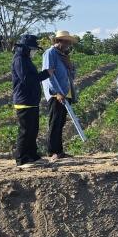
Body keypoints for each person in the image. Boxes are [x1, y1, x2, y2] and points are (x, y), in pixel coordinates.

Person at [10, 33, 51, 168]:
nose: (33, 51)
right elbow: (27, 79)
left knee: (33, 129)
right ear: (25, 48)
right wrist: (45, 74)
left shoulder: (26, 59)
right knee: (26, 130)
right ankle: (22, 159)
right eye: (32, 49)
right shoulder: (19, 59)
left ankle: (32, 156)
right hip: (24, 100)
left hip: (31, 100)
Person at [41, 30, 79, 160]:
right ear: (58, 41)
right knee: (55, 122)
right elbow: (48, 74)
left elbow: (71, 75)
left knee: (61, 122)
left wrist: (70, 66)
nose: (68, 44)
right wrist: (56, 92)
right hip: (56, 94)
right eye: (66, 41)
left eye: (69, 42)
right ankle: (52, 152)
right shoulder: (50, 53)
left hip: (65, 92)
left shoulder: (63, 55)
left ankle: (59, 151)